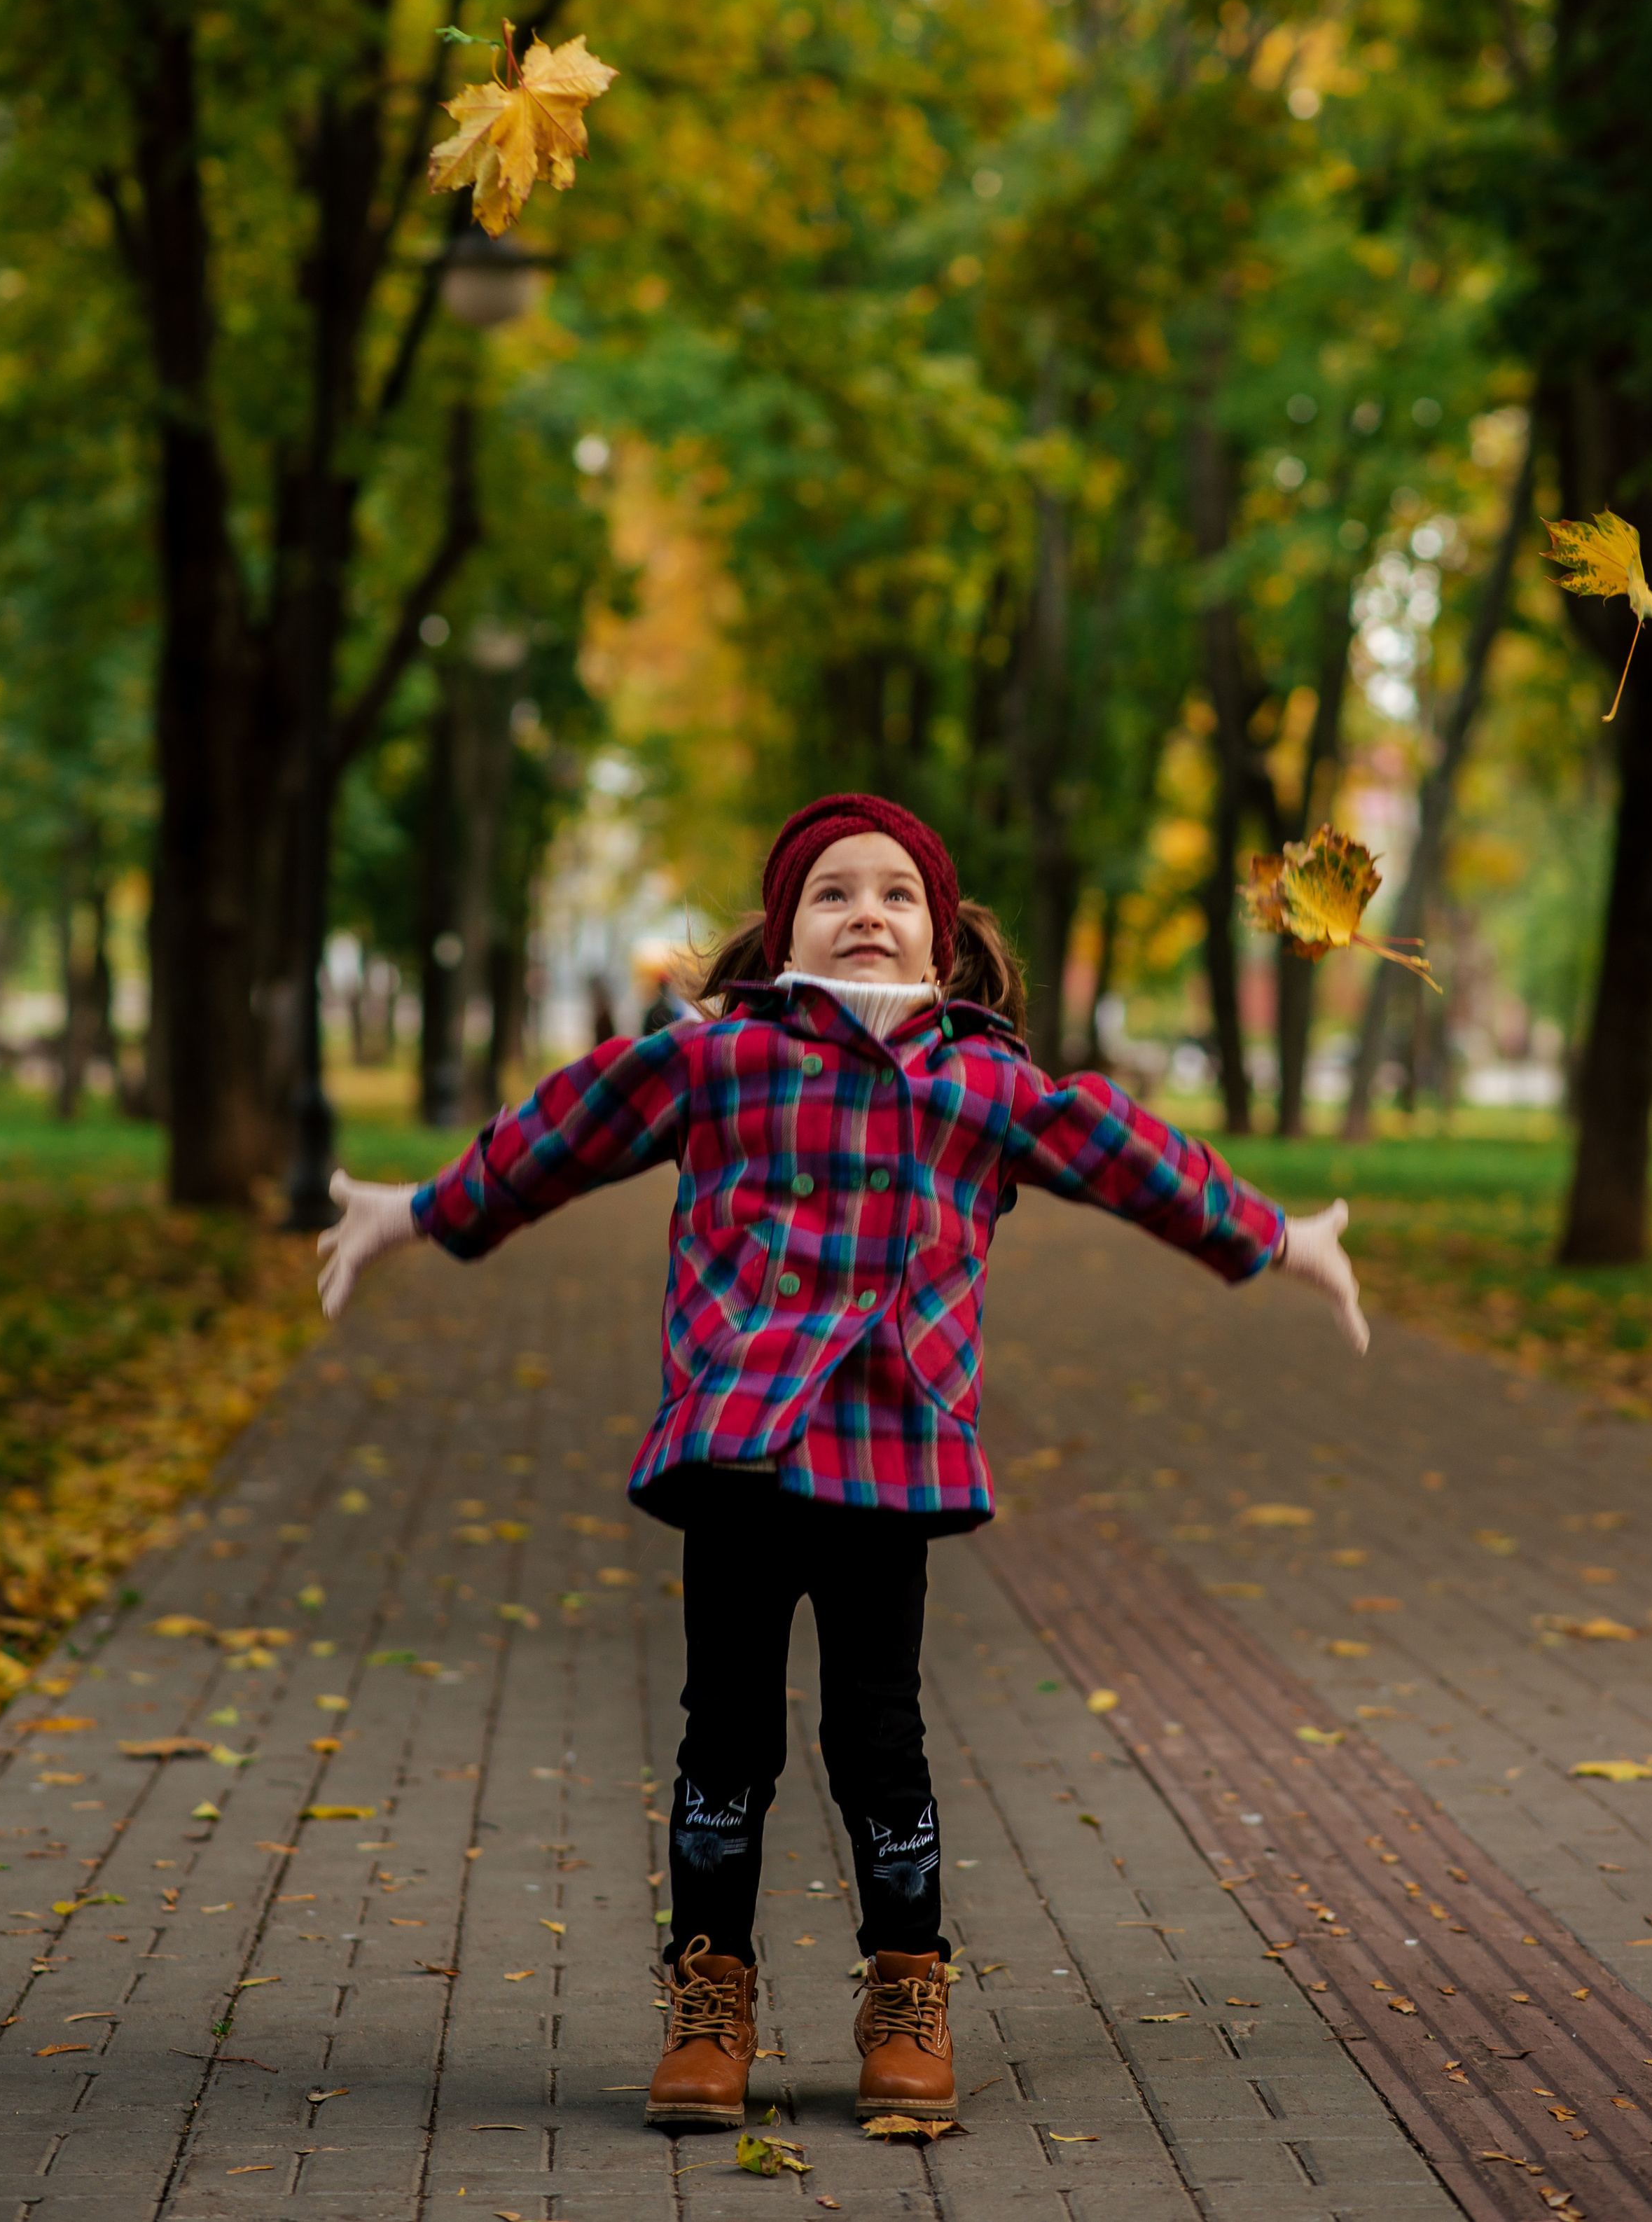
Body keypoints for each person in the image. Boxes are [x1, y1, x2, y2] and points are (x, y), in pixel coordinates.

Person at [317, 793, 1366, 2132]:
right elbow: (560, 1134)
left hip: (892, 1459)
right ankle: (713, 1998)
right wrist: (418, 1211)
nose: (865, 909)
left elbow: (1132, 1158)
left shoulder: (983, 1083)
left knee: (881, 1742)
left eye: (895, 893)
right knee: (726, 1739)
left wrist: (1277, 1237)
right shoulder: (717, 1059)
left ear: (941, 941)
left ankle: (907, 1989)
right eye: (831, 891)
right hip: (737, 1455)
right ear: (779, 931)